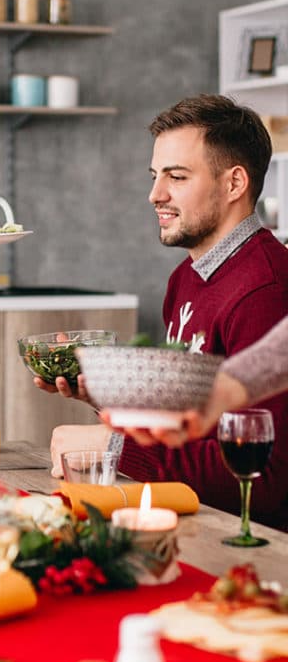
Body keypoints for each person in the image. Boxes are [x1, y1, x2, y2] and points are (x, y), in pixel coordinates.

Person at [43, 94, 288, 529]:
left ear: (234, 184)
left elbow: (266, 480)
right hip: (197, 519)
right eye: (156, 176)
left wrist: (116, 447)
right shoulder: (187, 277)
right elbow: (194, 420)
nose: (155, 194)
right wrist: (110, 399)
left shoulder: (266, 290)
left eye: (176, 177)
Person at [105, 313, 288, 448]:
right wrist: (222, 388)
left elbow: (267, 471)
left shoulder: (262, 290)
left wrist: (113, 446)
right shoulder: (182, 278)